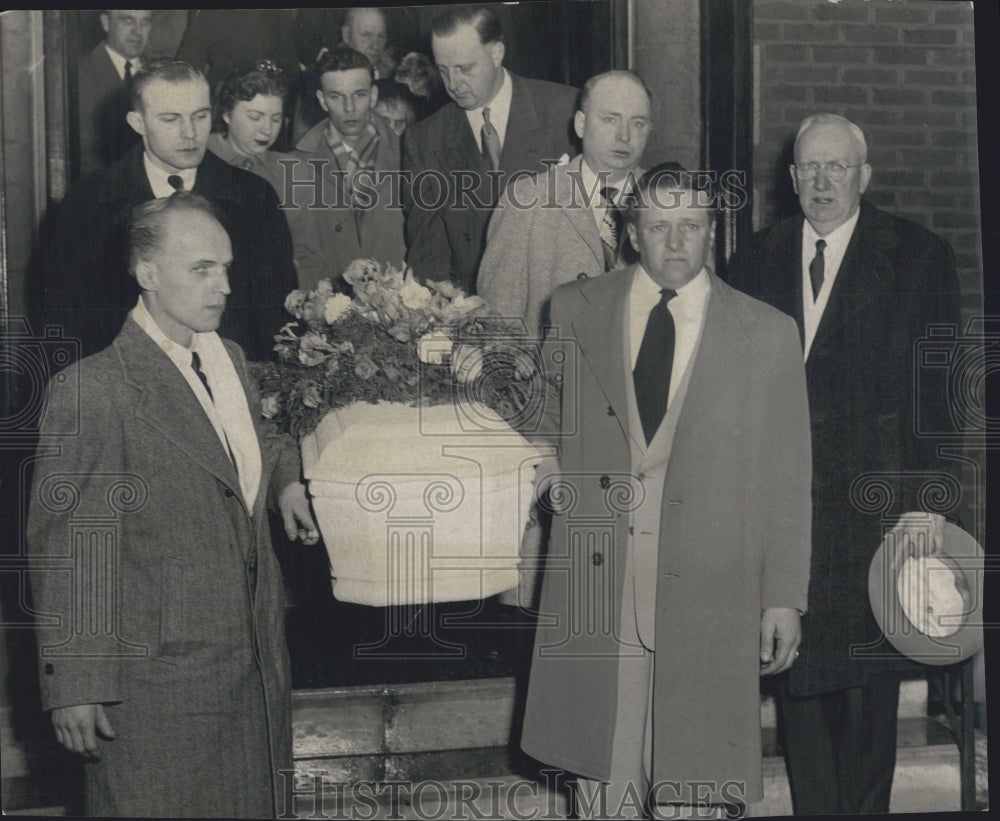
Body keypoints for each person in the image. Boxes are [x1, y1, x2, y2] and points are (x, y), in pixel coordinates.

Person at [520, 164, 812, 818]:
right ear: (632, 233)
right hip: (601, 589)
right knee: (603, 782)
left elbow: (789, 480)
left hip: (713, 591)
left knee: (695, 783)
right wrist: (545, 465)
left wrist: (784, 598)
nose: (675, 241)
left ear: (713, 231)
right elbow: (543, 418)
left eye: (690, 225)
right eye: (658, 225)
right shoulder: (574, 307)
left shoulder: (767, 333)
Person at [28, 191, 319, 818]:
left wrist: (285, 482)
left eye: (227, 269)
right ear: (148, 274)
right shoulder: (93, 390)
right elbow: (71, 547)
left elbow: (253, 441)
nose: (224, 287)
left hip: (253, 672)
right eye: (202, 269)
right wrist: (76, 686)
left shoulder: (230, 361)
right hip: (158, 688)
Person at [726, 113, 962, 815]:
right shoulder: (755, 258)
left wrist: (929, 501)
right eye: (810, 168)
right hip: (787, 509)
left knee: (864, 701)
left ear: (865, 175)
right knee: (797, 685)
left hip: (877, 511)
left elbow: (939, 392)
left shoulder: (918, 256)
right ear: (792, 177)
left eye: (838, 167)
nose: (822, 181)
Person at [38, 60, 297, 362]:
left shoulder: (255, 197)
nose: (189, 133)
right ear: (138, 122)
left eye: (200, 116)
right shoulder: (88, 203)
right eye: (171, 119)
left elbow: (277, 315)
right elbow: (67, 320)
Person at [402, 4, 578, 294]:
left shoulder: (564, 111)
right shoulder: (424, 139)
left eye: (465, 69)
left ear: (496, 53)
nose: (453, 84)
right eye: (443, 70)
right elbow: (427, 252)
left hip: (553, 302)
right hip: (472, 313)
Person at [478, 70, 652, 336]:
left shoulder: (670, 203)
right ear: (580, 125)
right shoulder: (527, 199)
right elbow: (497, 322)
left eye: (637, 123)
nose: (624, 136)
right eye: (610, 120)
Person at [284, 46, 405, 290]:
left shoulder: (408, 156)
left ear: (373, 96)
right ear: (321, 100)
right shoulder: (296, 165)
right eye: (336, 96)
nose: (349, 108)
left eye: (358, 95)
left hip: (400, 310)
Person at [77, 10, 152, 176]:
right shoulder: (77, 74)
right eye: (127, 20)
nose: (137, 32)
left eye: (145, 22)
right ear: (105, 22)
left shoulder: (159, 74)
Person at [208, 60, 291, 200]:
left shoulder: (290, 171)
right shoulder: (200, 159)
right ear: (227, 115)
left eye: (276, 119)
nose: (267, 130)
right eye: (255, 117)